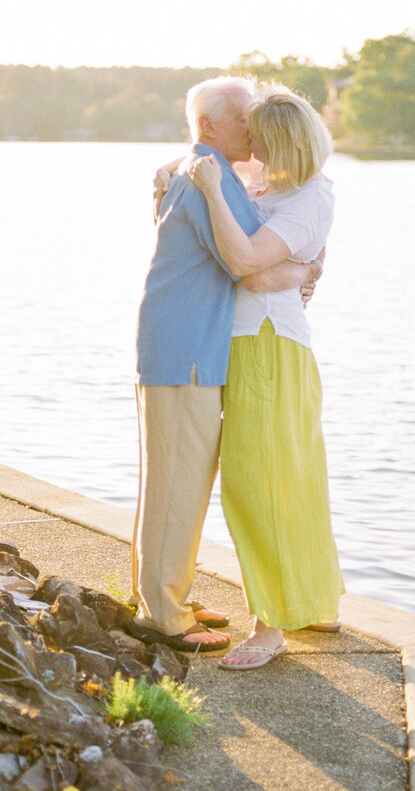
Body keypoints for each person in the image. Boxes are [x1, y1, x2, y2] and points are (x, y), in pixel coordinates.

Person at [131, 77, 321, 653]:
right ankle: (163, 616)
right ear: (210, 126)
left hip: (188, 345)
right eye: (244, 118)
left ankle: (170, 597)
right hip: (185, 348)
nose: (255, 128)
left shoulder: (203, 169)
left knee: (182, 479)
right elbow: (251, 265)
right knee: (176, 484)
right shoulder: (208, 179)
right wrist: (307, 270)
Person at [189, 86, 343, 670]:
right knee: (292, 477)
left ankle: (270, 626)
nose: (246, 139)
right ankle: (310, 600)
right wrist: (302, 267)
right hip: (257, 346)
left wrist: (210, 192)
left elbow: (248, 270)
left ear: (280, 142)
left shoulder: (307, 198)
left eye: (256, 133)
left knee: (262, 483)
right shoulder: (269, 189)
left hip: (269, 348)